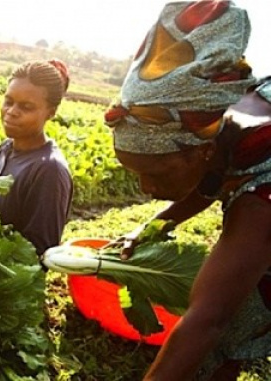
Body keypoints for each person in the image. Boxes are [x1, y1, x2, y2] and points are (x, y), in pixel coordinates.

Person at [104, 1, 271, 380]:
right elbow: (210, 178)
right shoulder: (216, 128)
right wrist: (148, 229)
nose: (147, 190)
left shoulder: (259, 199)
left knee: (231, 311)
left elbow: (207, 321)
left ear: (201, 151)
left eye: (157, 175)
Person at [0, 60, 73, 258]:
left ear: (50, 113)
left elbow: (38, 254)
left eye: (26, 107)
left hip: (4, 283)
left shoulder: (49, 170)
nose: (11, 112)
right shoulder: (5, 149)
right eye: (8, 102)